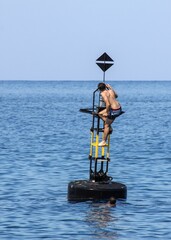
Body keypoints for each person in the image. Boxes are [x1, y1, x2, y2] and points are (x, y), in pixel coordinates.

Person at [97, 82, 123, 147]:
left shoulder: (103, 93)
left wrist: (107, 112)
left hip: (114, 110)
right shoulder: (110, 90)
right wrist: (110, 87)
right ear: (105, 86)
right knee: (100, 113)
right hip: (119, 108)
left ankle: (103, 141)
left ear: (99, 89)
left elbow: (108, 104)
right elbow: (116, 96)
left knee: (106, 125)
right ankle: (110, 127)